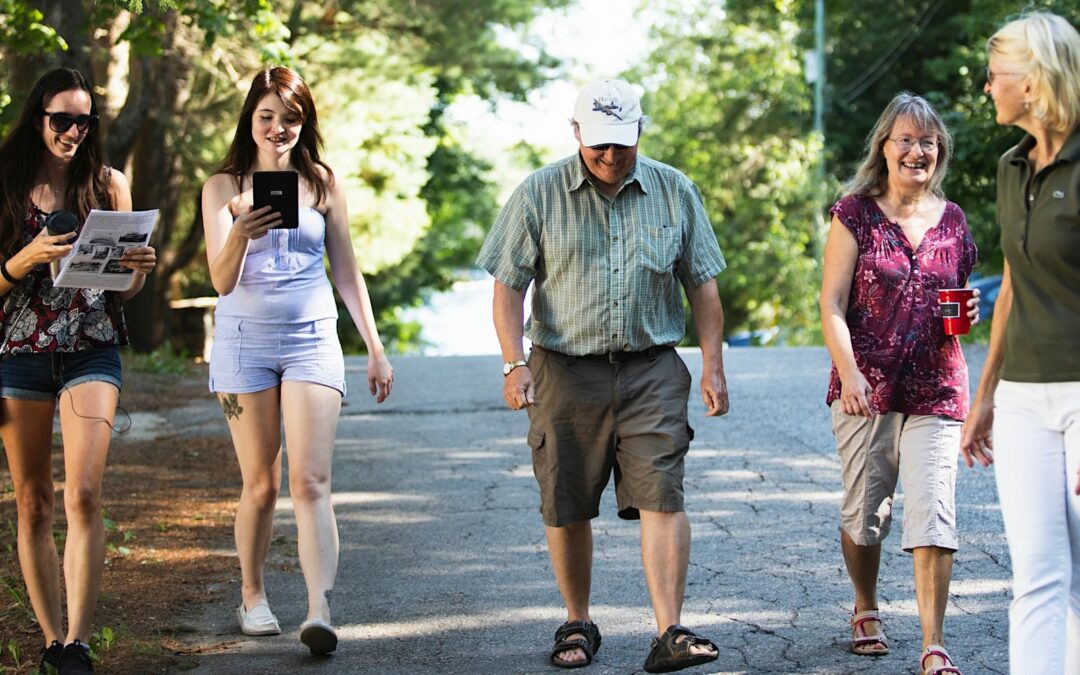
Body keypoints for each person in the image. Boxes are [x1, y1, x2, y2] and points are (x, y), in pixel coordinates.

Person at [477, 78, 727, 673]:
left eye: (622, 142)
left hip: (652, 369)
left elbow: (703, 284)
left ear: (640, 131)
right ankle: (577, 620)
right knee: (566, 501)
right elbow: (508, 288)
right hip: (564, 370)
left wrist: (713, 365)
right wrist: (513, 363)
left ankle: (669, 632)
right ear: (576, 134)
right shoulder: (538, 193)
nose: (611, 156)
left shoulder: (675, 190)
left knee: (662, 493)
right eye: (598, 145)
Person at [201, 66, 393, 656]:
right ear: (250, 119)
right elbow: (221, 280)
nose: (278, 128)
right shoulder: (221, 187)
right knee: (261, 484)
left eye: (290, 118)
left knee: (310, 480)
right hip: (244, 344)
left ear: (304, 122)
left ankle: (319, 608)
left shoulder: (322, 183)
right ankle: (252, 595)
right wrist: (241, 230)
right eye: (267, 116)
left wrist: (375, 347)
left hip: (312, 339)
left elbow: (346, 269)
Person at [0, 68, 157, 675]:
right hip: (18, 354)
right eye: (61, 120)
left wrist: (137, 269)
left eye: (83, 121)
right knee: (34, 502)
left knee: (84, 494)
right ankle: (49, 641)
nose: (72, 131)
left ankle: (78, 645)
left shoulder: (109, 184)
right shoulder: (7, 180)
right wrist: (24, 259)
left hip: (92, 347)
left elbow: (122, 292)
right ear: (37, 117)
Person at [819, 92, 980, 675]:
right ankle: (865, 604)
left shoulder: (954, 219)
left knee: (934, 510)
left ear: (940, 151)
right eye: (905, 140)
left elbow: (957, 295)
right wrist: (851, 374)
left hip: (938, 386)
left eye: (927, 142)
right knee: (866, 514)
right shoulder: (855, 213)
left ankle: (934, 643)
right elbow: (831, 304)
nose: (917, 151)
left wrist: (969, 311)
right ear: (884, 147)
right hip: (866, 390)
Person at [962, 11, 1080, 674]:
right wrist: (985, 395)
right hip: (1024, 399)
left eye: (995, 75)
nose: (987, 88)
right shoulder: (1012, 167)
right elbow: (1011, 283)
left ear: (1031, 82)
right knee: (1037, 575)